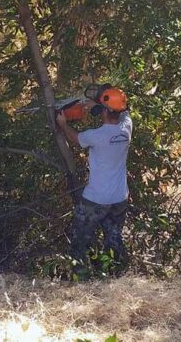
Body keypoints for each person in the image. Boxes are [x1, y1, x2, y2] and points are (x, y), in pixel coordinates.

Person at [55, 84, 132, 268]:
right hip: (119, 198)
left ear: (103, 111)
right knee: (114, 238)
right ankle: (115, 272)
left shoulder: (96, 135)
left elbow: (75, 138)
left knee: (80, 239)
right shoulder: (126, 127)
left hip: (96, 199)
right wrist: (97, 101)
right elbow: (124, 111)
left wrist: (63, 125)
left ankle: (79, 274)